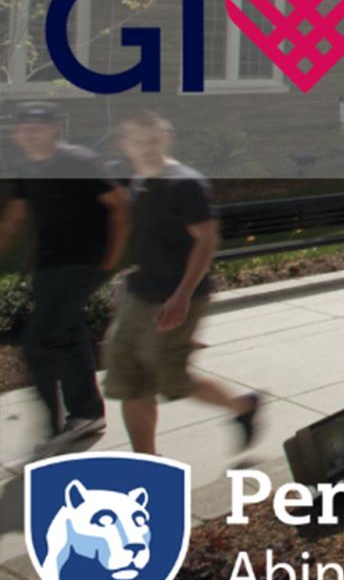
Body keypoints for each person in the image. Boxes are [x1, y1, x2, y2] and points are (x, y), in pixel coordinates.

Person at [104, 111, 261, 456]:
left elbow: (206, 241)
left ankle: (243, 407)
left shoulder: (185, 183)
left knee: (172, 378)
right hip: (140, 292)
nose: (146, 148)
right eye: (137, 141)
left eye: (153, 140)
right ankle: (146, 460)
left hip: (175, 297)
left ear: (166, 139)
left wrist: (182, 295)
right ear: (124, 143)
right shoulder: (140, 180)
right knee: (129, 377)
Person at [0, 102, 129, 459]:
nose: (30, 133)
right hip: (50, 266)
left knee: (36, 345)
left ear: (55, 129)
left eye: (38, 127)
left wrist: (110, 259)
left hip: (84, 264)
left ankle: (54, 430)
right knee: (69, 338)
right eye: (24, 128)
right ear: (17, 134)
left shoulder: (80, 162)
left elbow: (119, 205)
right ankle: (87, 414)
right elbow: (14, 219)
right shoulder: (27, 168)